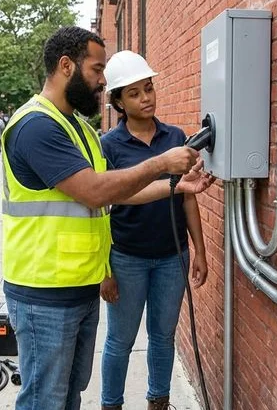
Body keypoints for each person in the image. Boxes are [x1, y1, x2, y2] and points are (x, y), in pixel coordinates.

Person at [2, 26, 214, 410]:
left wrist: (179, 187)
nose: (102, 81)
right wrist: (162, 164)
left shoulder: (77, 128)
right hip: (43, 292)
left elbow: (118, 193)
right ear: (67, 66)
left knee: (67, 395)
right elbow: (95, 191)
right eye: (98, 70)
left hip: (76, 284)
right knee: (44, 399)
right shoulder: (36, 126)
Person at [98, 51, 209, 410]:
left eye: (148, 88)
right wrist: (104, 271)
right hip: (126, 258)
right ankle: (111, 404)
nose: (146, 98)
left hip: (171, 257)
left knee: (162, 337)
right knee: (120, 340)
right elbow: (102, 208)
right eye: (134, 93)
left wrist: (199, 252)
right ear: (117, 101)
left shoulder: (175, 137)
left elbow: (187, 197)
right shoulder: (109, 146)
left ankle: (157, 403)